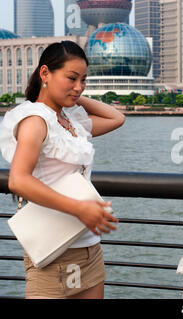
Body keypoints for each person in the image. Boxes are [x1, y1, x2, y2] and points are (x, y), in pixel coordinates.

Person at [0, 41, 125, 299]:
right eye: (71, 77)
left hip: (89, 248)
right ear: (44, 73)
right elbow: (18, 181)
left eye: (83, 80)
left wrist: (71, 94)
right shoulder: (35, 120)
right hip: (51, 251)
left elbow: (117, 118)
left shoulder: (70, 121)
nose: (79, 86)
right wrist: (80, 208)